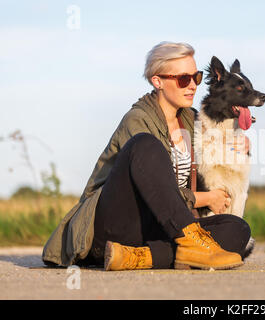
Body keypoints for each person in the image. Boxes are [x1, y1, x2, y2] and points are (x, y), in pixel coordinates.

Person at [41, 41, 251, 271]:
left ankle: (140, 256)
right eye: (183, 79)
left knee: (238, 230)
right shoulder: (138, 119)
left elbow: (217, 144)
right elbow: (156, 189)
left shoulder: (192, 120)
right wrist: (206, 199)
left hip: (160, 227)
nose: (192, 85)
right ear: (157, 81)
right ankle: (186, 246)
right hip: (114, 222)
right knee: (145, 145)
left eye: (196, 77)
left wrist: (237, 142)